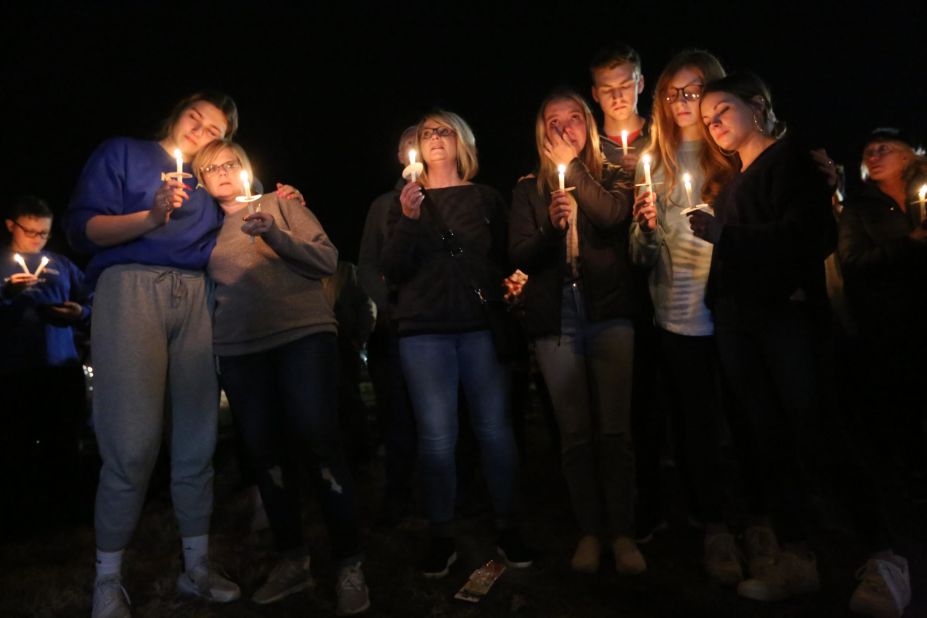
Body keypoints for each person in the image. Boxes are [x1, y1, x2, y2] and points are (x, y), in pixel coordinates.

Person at [65, 91, 299, 618]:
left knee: (197, 434)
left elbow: (247, 215)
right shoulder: (123, 153)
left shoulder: (213, 177)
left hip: (197, 295)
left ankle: (195, 565)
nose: (201, 127)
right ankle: (108, 577)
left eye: (215, 126)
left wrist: (281, 203)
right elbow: (84, 229)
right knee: (132, 442)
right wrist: (151, 216)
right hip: (131, 288)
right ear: (176, 112)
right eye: (196, 115)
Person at [694, 73, 909, 616]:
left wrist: (728, 238)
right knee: (769, 439)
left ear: (758, 106)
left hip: (785, 321)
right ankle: (797, 556)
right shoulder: (734, 181)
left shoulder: (791, 161)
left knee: (819, 431)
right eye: (706, 120)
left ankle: (886, 560)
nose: (713, 123)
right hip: (741, 326)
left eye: (722, 110)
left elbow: (808, 238)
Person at [195, 140, 370, 613]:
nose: (223, 172)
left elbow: (325, 260)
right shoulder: (203, 228)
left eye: (230, 162)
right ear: (202, 181)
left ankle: (349, 560)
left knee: (318, 441)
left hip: (301, 338)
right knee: (265, 455)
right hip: (240, 351)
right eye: (211, 168)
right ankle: (293, 558)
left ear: (246, 166)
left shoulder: (281, 203)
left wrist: (274, 232)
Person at [380, 109, 533, 578]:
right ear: (417, 147)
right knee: (437, 437)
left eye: (445, 130)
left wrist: (518, 284)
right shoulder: (403, 201)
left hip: (478, 327)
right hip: (424, 331)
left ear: (463, 141)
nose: (436, 138)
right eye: (427, 132)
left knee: (494, 429)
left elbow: (509, 255)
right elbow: (394, 267)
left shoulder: (486, 198)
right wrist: (407, 217)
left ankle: (509, 524)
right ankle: (440, 533)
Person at [508, 90, 644, 575]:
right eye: (553, 121)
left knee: (615, 430)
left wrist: (578, 171)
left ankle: (622, 532)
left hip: (608, 311)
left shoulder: (613, 174)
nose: (564, 128)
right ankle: (590, 531)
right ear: (541, 131)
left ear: (587, 126)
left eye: (574, 119)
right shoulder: (529, 188)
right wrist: (550, 227)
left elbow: (612, 216)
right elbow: (521, 254)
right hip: (556, 317)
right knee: (575, 434)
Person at [628, 50, 741, 585]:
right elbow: (641, 255)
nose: (682, 102)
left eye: (693, 91)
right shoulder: (658, 162)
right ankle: (712, 522)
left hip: (731, 313)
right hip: (676, 317)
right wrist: (647, 230)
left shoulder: (733, 158)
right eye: (673, 93)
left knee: (743, 422)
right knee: (694, 426)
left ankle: (758, 520)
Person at [1, 195, 91, 526]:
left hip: (61, 369)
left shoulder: (62, 265)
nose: (37, 239)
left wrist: (80, 312)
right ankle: (21, 522)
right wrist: (7, 294)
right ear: (11, 226)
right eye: (31, 232)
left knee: (65, 443)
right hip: (13, 373)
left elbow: (90, 299)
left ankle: (67, 518)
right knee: (16, 447)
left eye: (44, 233)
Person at [357, 126, 419, 523]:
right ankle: (398, 493)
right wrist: (384, 307)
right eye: (410, 144)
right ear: (400, 155)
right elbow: (367, 264)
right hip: (395, 327)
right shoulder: (383, 206)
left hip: (436, 324)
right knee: (395, 412)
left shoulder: (448, 199)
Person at [590, 43, 649, 174]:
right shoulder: (590, 148)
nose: (617, 97)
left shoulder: (660, 137)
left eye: (625, 86)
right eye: (607, 90)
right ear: (595, 94)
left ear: (640, 84)